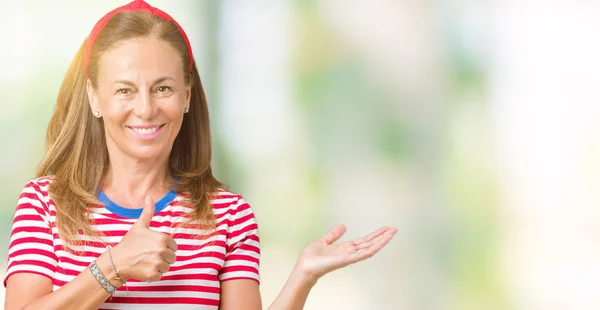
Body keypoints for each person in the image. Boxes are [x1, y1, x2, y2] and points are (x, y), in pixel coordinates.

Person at [3, 1, 398, 309]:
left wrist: (303, 277)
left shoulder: (229, 217)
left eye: (163, 89)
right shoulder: (44, 205)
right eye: (125, 90)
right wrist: (115, 265)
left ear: (187, 96)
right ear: (94, 97)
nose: (145, 108)